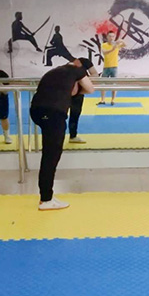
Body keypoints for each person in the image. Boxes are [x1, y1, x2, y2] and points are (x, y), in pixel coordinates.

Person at [31, 59, 95, 210]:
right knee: (51, 156)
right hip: (53, 113)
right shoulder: (78, 71)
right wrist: (79, 90)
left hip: (36, 110)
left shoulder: (55, 71)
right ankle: (46, 199)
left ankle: (46, 197)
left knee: (50, 154)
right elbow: (90, 89)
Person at [69, 57, 99, 144]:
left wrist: (84, 80)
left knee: (75, 114)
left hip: (78, 92)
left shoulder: (85, 62)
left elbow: (95, 75)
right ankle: (61, 136)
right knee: (61, 114)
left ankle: (72, 136)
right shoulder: (69, 67)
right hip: (66, 91)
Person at [98, 30, 125, 106]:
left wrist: (121, 40)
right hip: (106, 67)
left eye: (113, 36)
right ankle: (102, 99)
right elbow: (104, 52)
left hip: (114, 67)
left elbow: (125, 45)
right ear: (107, 37)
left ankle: (113, 100)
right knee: (103, 84)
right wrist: (112, 49)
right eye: (110, 36)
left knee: (114, 84)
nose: (111, 38)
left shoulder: (117, 45)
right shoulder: (103, 45)